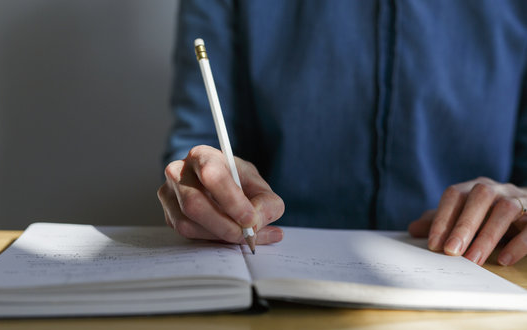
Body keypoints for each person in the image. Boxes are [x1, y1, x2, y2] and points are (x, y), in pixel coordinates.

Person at [158, 0, 527, 266]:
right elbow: (198, 140)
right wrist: (203, 183)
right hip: (273, 280)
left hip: (476, 274)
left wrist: (519, 201)